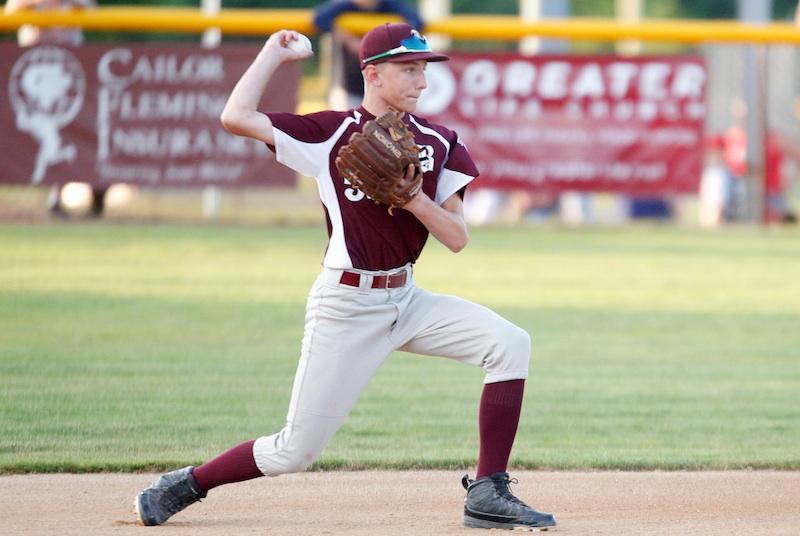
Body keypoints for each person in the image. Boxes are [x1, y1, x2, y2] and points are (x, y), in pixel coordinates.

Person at [132, 23, 556, 531]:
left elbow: (457, 237)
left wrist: (413, 198)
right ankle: (186, 484)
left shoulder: (440, 142)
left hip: (408, 299)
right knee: (293, 452)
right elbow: (235, 117)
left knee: (510, 343)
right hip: (346, 304)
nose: (421, 81)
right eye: (409, 69)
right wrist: (272, 54)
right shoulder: (331, 133)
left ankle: (488, 491)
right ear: (372, 73)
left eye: (424, 68)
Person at [4, 0, 107, 218]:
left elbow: (93, 12)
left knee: (77, 132)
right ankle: (54, 195)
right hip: (32, 64)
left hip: (71, 66)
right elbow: (11, 10)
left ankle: (81, 195)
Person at [313, 0, 423, 110]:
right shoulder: (344, 6)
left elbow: (416, 22)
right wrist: (348, 38)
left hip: (383, 85)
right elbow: (319, 19)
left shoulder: (389, 6)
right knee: (348, 117)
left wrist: (387, 40)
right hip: (348, 83)